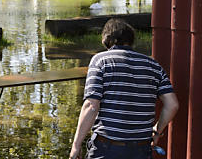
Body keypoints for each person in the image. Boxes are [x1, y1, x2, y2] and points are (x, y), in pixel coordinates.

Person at [70, 18, 179, 159]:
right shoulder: (153, 65)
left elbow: (91, 106)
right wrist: (157, 132)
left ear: (106, 39)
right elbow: (173, 105)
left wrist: (76, 145)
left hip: (107, 148)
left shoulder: (100, 60)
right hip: (141, 148)